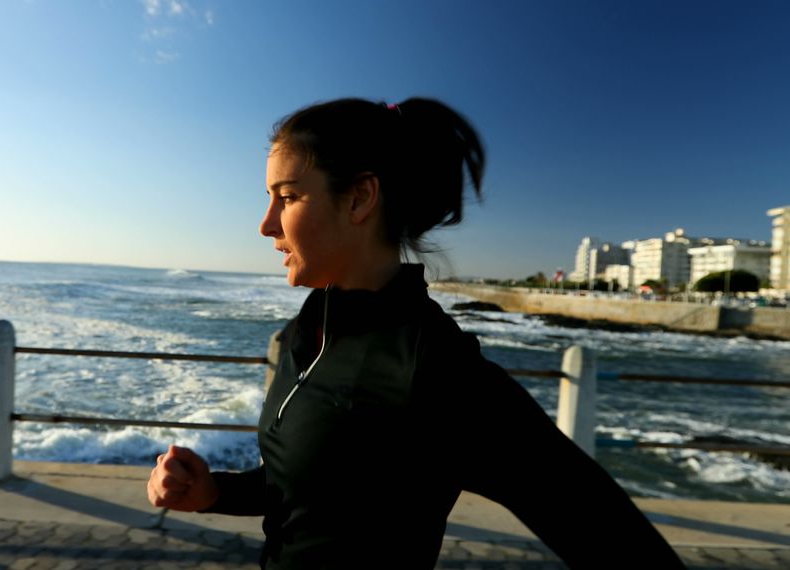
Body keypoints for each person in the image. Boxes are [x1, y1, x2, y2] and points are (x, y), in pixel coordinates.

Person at [146, 97, 684, 569]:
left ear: (359, 198)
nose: (266, 224)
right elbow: (307, 485)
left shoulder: (431, 366)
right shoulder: (305, 333)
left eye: (286, 197)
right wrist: (213, 491)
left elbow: (606, 532)